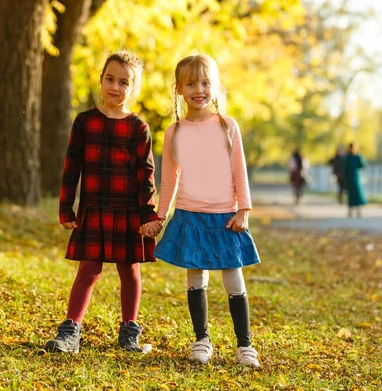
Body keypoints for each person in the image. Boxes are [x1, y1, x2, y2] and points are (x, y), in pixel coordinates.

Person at [44, 51, 162, 354]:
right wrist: (65, 207)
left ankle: (129, 332)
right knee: (89, 269)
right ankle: (70, 331)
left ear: (133, 89)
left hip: (128, 212)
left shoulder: (139, 128)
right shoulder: (85, 123)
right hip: (93, 208)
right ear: (101, 80)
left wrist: (149, 214)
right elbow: (72, 168)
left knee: (130, 270)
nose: (115, 87)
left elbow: (146, 175)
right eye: (110, 79)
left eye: (123, 82)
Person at [150, 54, 261, 368]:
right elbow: (170, 178)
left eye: (205, 82)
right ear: (179, 89)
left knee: (233, 280)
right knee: (195, 279)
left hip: (226, 217)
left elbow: (239, 170)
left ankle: (244, 345)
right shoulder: (174, 133)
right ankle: (202, 340)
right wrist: (161, 215)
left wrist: (244, 209)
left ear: (215, 87)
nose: (198, 89)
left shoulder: (227, 126)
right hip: (189, 215)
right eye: (191, 83)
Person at [344, 142, 367, 217]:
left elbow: (362, 165)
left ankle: (358, 211)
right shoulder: (347, 157)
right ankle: (350, 211)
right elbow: (345, 169)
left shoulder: (357, 157)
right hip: (349, 179)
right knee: (350, 195)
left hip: (356, 178)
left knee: (357, 194)